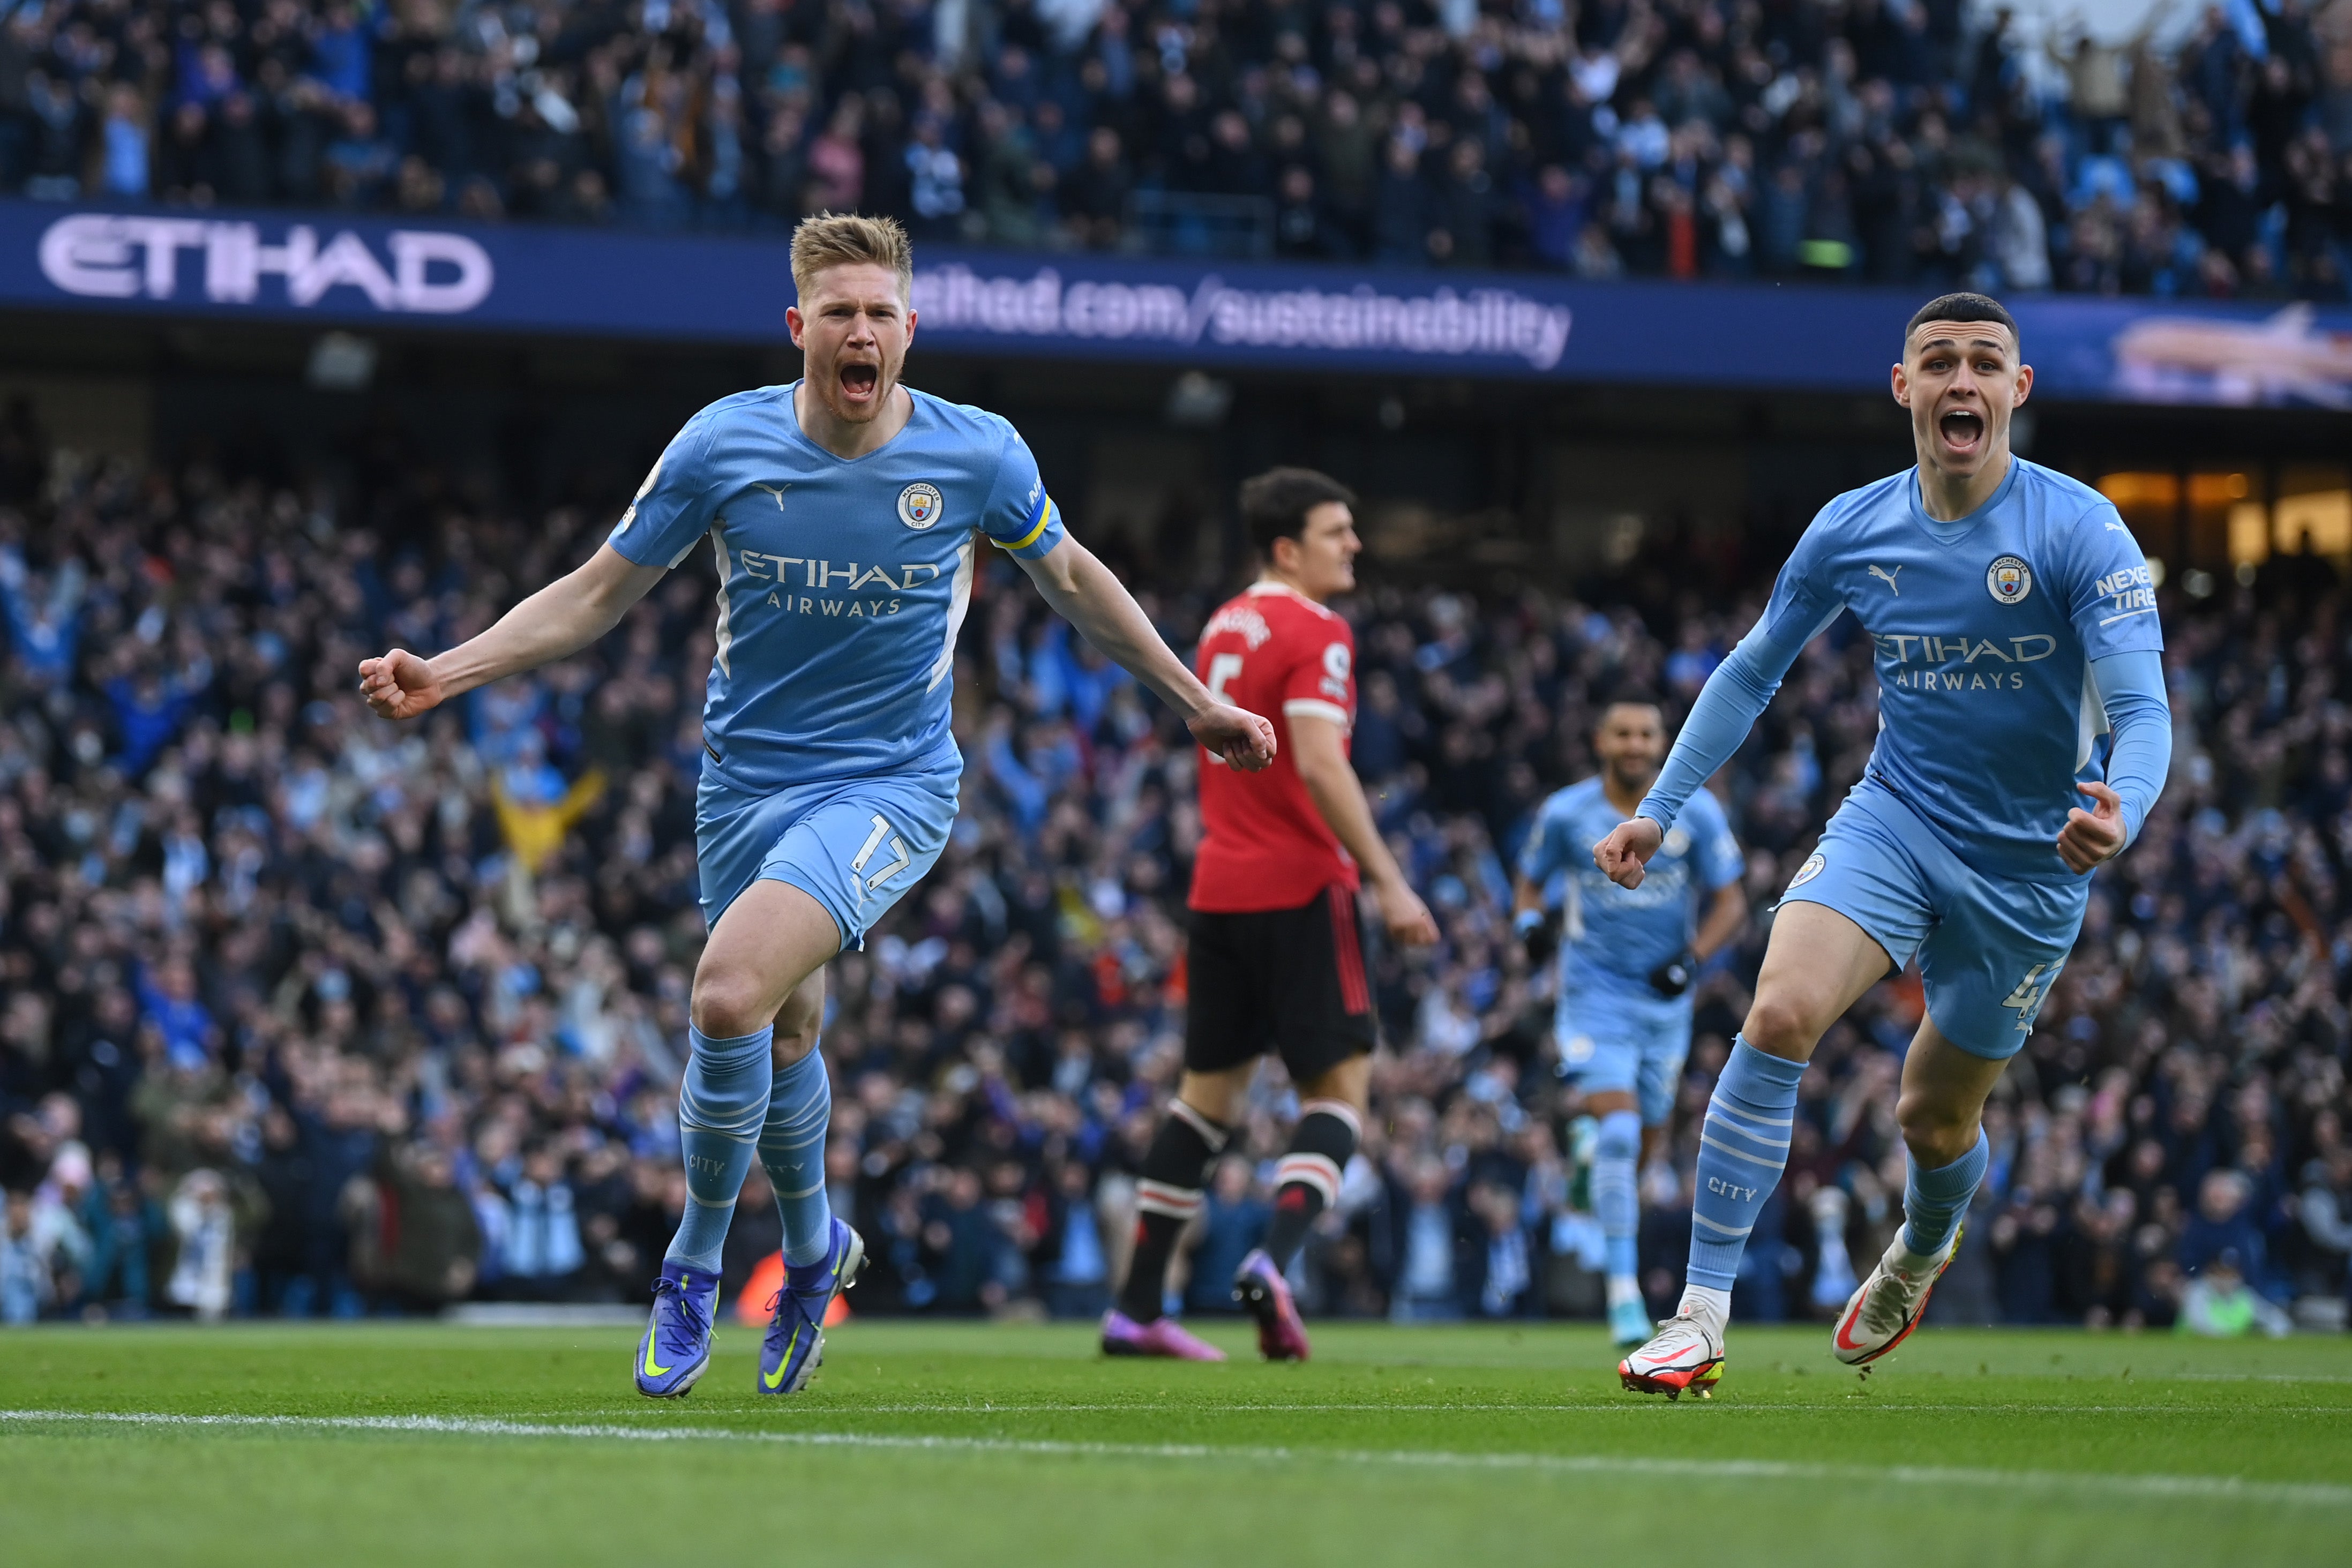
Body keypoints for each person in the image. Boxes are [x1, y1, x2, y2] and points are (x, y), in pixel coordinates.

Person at [359, 213, 1276, 1399]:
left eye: (878, 312)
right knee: (786, 1030)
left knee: (728, 990)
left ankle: (691, 1264)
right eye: (836, 311)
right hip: (742, 785)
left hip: (892, 782)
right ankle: (811, 1252)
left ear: (909, 331)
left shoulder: (976, 454)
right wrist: (451, 668)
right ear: (799, 328)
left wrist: (1190, 695)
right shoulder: (720, 445)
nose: (859, 330)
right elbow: (594, 596)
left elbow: (1074, 581)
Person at [1601, 292, 2173, 1397]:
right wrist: (1658, 807)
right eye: (1939, 362)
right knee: (1775, 1012)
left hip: (2031, 864)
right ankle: (1698, 1317)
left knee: (1932, 1112)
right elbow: (1750, 666)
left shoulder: (2079, 527)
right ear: (1903, 386)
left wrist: (2123, 810)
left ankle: (1917, 1246)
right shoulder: (1852, 525)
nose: (1962, 381)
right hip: (1896, 817)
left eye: (1984, 364)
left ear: (2017, 390)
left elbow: (2141, 712)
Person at [1103, 467, 1438, 1361]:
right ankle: (1277, 1258)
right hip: (1299, 885)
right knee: (1341, 1094)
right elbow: (1322, 763)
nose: (1355, 545)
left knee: (1204, 1104)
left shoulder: (1224, 623)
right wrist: (1390, 879)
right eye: (1339, 532)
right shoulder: (1316, 628)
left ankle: (1136, 1309)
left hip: (1219, 888)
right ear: (1288, 548)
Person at [1512, 697, 1746, 1347]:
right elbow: (1528, 884)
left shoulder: (1695, 811)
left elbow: (1733, 899)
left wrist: (1692, 960)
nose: (1636, 743)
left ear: (1663, 741)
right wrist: (1528, 925)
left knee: (1641, 1147)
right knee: (1618, 1131)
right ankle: (1623, 1296)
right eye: (1624, 732)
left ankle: (1595, 1164)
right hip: (1593, 996)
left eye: (1646, 732)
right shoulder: (1565, 812)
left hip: (1663, 1004)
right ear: (1600, 740)